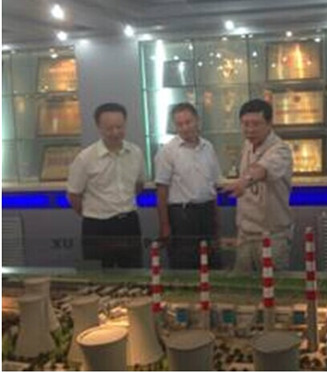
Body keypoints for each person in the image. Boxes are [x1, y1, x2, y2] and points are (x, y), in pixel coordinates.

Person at [67, 102, 145, 268]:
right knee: (99, 275)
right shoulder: (85, 158)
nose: (115, 132)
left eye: (119, 127)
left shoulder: (136, 153)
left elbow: (138, 186)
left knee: (133, 273)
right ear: (99, 128)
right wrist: (94, 212)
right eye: (109, 128)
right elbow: (74, 195)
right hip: (97, 226)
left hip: (129, 223)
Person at [222, 99, 293, 272]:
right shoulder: (247, 145)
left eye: (256, 124)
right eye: (245, 124)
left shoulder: (280, 149)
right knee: (244, 285)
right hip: (245, 235)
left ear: (269, 124)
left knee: (272, 285)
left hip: (272, 236)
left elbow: (261, 170)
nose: (250, 129)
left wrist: (243, 182)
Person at [154, 103, 223, 269]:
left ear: (197, 121)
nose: (185, 128)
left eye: (188, 122)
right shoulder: (167, 151)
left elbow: (213, 186)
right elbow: (162, 191)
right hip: (182, 216)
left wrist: (216, 219)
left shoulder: (208, 148)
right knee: (184, 263)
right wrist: (164, 225)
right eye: (180, 124)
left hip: (206, 212)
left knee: (211, 262)